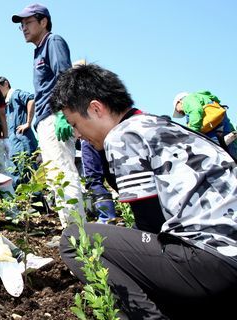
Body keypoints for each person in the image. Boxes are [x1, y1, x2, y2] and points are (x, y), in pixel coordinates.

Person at [53, 64, 237, 319]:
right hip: (225, 258)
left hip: (210, 260)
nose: (78, 135)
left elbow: (150, 223)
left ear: (96, 108)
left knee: (75, 240)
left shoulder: (123, 135)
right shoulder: (159, 125)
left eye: (75, 123)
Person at [12, 3, 84, 226]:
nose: (23, 27)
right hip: (45, 119)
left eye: (28, 22)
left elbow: (65, 76)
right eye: (21, 24)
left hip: (55, 117)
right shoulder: (38, 50)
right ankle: (70, 230)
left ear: (43, 22)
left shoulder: (53, 41)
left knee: (63, 172)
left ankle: (76, 232)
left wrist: (64, 113)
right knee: (54, 176)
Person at [0, 76, 38, 180]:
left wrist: (28, 123)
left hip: (23, 142)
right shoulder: (4, 103)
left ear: (6, 84)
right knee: (15, 175)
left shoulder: (15, 94)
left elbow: (31, 99)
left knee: (29, 172)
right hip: (13, 145)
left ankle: (35, 196)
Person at [173, 90, 237, 158]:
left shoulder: (188, 99)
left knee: (218, 157)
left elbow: (196, 111)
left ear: (179, 102)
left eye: (178, 111)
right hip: (224, 130)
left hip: (214, 134)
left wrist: (191, 133)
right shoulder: (206, 100)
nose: (181, 113)